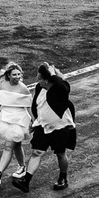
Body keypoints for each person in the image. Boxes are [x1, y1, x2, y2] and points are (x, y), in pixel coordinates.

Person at [0, 60, 36, 192]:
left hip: (19, 120)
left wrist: (34, 121)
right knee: (16, 145)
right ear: (9, 75)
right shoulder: (2, 84)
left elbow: (29, 107)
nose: (17, 77)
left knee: (9, 146)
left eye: (19, 75)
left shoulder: (23, 88)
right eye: (14, 75)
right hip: (6, 117)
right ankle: (22, 167)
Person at [30, 59, 78, 190]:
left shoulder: (60, 88)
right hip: (43, 125)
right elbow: (35, 104)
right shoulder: (40, 87)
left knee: (60, 153)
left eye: (40, 79)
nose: (38, 81)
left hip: (60, 126)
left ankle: (63, 177)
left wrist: (53, 75)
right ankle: (26, 179)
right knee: (36, 151)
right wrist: (35, 120)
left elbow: (64, 87)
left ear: (47, 79)